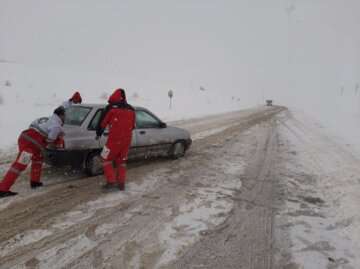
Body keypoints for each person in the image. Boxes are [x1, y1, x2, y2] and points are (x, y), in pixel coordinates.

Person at [0, 106, 66, 198]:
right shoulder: (56, 126)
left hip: (26, 138)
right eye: (64, 115)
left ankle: (35, 182)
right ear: (61, 115)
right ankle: (2, 189)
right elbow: (50, 140)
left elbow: (34, 128)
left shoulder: (46, 119)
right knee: (19, 165)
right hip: (30, 144)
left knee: (38, 159)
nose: (65, 117)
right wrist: (57, 142)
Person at [96, 88, 135, 191]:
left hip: (114, 140)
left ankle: (111, 182)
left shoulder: (111, 109)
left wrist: (98, 133)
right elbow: (133, 125)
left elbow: (102, 124)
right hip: (127, 141)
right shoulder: (131, 109)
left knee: (105, 158)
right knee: (121, 161)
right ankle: (121, 183)